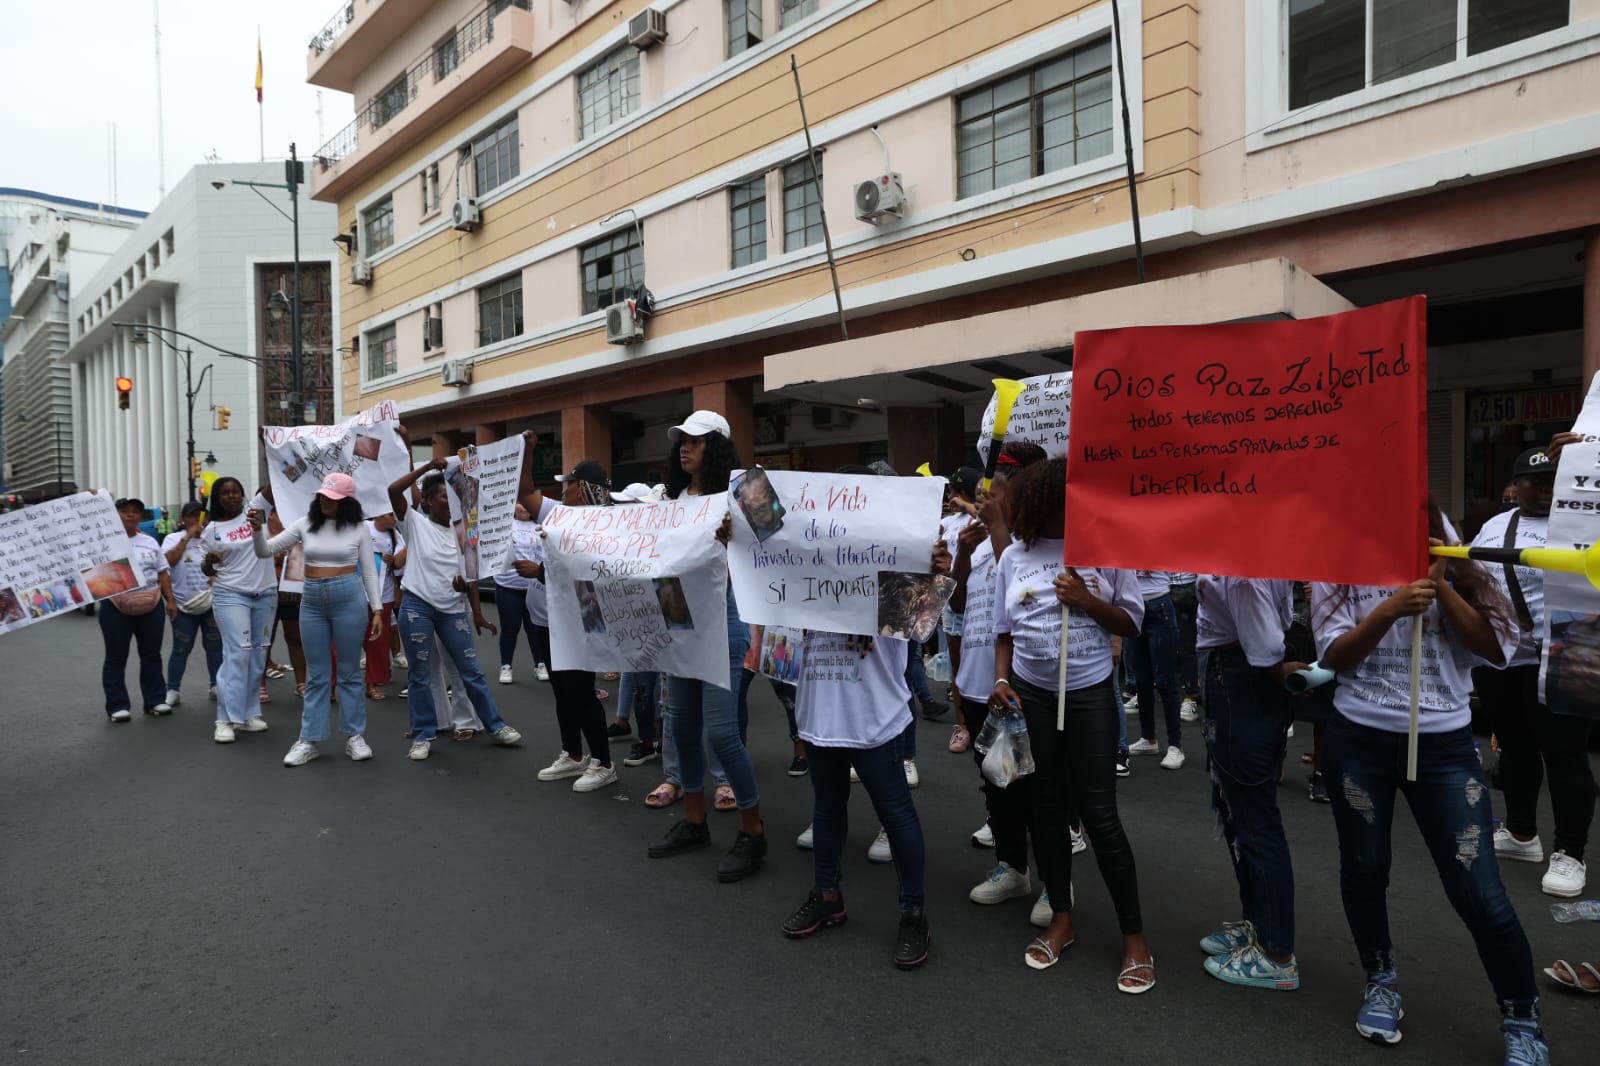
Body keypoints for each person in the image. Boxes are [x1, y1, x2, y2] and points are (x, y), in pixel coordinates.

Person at [1311, 503, 1547, 1061]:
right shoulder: (1337, 567)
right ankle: (1381, 979)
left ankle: (1520, 1015)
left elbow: (1495, 649)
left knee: (1480, 892)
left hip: (1444, 746)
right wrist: (1390, 608)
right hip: (1359, 741)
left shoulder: (1462, 569)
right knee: (1365, 870)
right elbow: (1335, 659)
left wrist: (1442, 587)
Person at [988, 458, 1155, 993]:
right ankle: (1062, 917)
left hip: (1088, 697)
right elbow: (1003, 631)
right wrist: (999, 680)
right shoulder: (1015, 557)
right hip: (1032, 696)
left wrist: (1086, 600)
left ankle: (1135, 938)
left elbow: (1131, 623)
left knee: (1101, 815)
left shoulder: (1107, 552)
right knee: (1047, 809)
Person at [780, 465, 947, 970]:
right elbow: (765, 581)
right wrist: (736, 545)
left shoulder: (893, 563)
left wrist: (939, 569)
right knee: (827, 808)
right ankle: (828, 895)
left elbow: (922, 625)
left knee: (895, 812)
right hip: (822, 706)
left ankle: (913, 913)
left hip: (875, 711)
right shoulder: (803, 559)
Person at [645, 411, 767, 882]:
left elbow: (781, 545)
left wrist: (740, 541)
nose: (684, 447)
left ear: (715, 445)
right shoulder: (671, 498)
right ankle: (695, 820)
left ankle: (753, 830)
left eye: (694, 441)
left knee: (721, 732)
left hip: (724, 620)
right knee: (681, 727)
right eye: (680, 441)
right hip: (679, 620)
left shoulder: (748, 490)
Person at [1471, 446, 1592, 898]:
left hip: (1563, 657)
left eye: (1554, 482)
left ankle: (1571, 853)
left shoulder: (1586, 523)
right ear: (1516, 485)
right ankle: (1522, 834)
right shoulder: (1495, 525)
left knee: (1565, 755)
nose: (1545, 489)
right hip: (1504, 658)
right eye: (1535, 481)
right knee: (1516, 749)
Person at [951, 441, 1055, 919]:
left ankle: (1056, 883)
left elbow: (1015, 601)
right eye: (995, 475)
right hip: (978, 681)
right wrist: (961, 557)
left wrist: (996, 528)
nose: (994, 485)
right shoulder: (978, 534)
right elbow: (955, 607)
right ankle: (1013, 868)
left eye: (1007, 476)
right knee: (998, 783)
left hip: (1020, 682)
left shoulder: (1037, 542)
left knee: (1041, 789)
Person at [1194, 576, 1305, 990]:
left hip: (1244, 675)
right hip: (1237, 672)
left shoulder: (1243, 566)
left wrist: (1277, 670)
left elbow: (1265, 646)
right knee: (1235, 809)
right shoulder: (1239, 549)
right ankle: (1259, 925)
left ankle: (1277, 952)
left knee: (1254, 819)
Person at [388, 434, 524, 761]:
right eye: (443, 497)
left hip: (452, 610)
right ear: (429, 501)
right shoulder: (414, 525)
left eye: (452, 497)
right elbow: (393, 491)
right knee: (420, 674)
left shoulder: (464, 533)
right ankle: (423, 735)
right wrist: (423, 469)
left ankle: (495, 725)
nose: (450, 502)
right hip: (417, 606)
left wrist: (473, 605)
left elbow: (471, 575)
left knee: (471, 671)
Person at [250, 473, 384, 766]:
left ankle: (355, 737)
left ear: (347, 503)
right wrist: (257, 528)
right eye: (322, 496)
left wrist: (377, 610)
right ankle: (309, 739)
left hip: (349, 597)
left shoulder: (359, 528)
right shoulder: (305, 524)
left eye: (332, 499)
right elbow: (264, 551)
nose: (324, 501)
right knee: (318, 674)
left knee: (349, 671)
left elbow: (369, 571)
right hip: (311, 600)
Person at [528, 459, 617, 793]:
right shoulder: (563, 517)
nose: (562, 490)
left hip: (582, 619)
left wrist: (537, 572)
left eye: (569, 484)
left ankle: (604, 762)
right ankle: (574, 753)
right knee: (562, 691)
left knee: (580, 692)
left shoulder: (606, 523)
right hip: (551, 619)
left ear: (583, 489)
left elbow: (590, 570)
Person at [201, 477, 274, 742]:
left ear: (243, 495)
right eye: (224, 493)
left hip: (265, 592)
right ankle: (224, 720)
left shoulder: (256, 511)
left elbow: (275, 483)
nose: (231, 496)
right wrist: (209, 562)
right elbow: (207, 569)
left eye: (235, 492)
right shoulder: (212, 529)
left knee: (258, 653)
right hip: (231, 594)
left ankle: (248, 714)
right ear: (217, 499)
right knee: (237, 654)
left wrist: (270, 444)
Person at [100, 497, 177, 721]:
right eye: (124, 511)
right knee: (116, 657)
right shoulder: (104, 543)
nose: (130, 514)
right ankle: (117, 706)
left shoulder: (151, 542)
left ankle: (155, 700)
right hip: (115, 605)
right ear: (116, 515)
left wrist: (170, 600)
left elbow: (162, 572)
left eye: (135, 511)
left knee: (152, 655)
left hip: (151, 604)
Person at [161, 501, 222, 708]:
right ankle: (173, 689)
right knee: (181, 648)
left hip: (210, 602)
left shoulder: (211, 540)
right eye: (192, 516)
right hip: (182, 604)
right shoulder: (173, 538)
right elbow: (168, 562)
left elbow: (220, 567)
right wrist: (187, 537)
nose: (197, 520)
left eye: (200, 516)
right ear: (184, 519)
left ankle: (216, 685)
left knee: (214, 646)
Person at [1127, 570, 1186, 769]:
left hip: (1158, 602)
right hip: (1135, 605)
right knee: (1142, 679)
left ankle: (1175, 745)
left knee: (1165, 680)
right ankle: (1148, 738)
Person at [493, 503, 549, 685]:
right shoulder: (504, 524)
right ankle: (506, 666)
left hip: (533, 587)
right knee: (510, 629)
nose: (525, 508)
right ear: (513, 506)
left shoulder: (540, 525)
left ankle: (540, 664)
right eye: (521, 505)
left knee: (534, 629)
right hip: (508, 585)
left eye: (528, 505)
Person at [363, 513, 406, 700]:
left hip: (384, 593)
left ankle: (372, 681)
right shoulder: (363, 528)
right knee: (353, 637)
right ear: (379, 514)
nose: (394, 519)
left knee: (378, 639)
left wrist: (392, 560)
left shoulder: (397, 536)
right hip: (359, 590)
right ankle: (334, 684)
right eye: (390, 515)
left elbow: (398, 565)